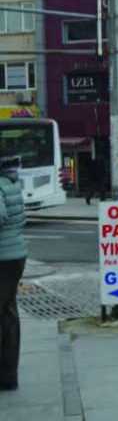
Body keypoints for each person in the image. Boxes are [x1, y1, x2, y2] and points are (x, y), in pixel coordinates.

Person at [0, 156, 27, 391]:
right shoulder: (12, 183)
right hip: (16, 254)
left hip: (3, 256)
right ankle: (8, 376)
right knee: (8, 314)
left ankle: (6, 375)